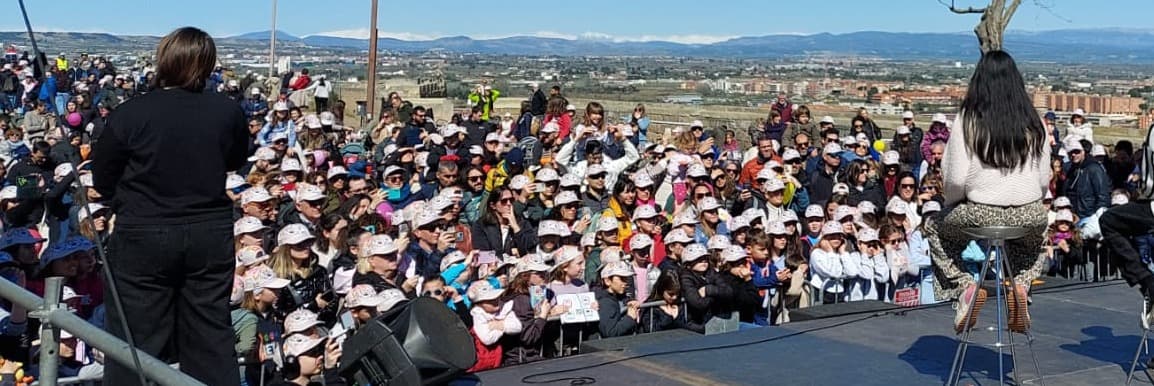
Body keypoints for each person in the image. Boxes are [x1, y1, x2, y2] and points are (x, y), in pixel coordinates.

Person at [91, 27, 250, 386]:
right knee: (210, 336)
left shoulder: (132, 113)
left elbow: (103, 179)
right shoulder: (227, 111)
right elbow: (236, 159)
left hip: (143, 232)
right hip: (208, 233)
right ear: (208, 64)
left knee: (135, 342)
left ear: (164, 60)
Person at [925, 50, 1049, 334]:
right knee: (1035, 240)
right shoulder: (1035, 121)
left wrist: (952, 204)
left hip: (982, 211)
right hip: (1030, 211)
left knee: (934, 228)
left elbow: (955, 179)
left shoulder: (968, 120)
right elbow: (1043, 180)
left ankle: (964, 288)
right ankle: (1021, 284)